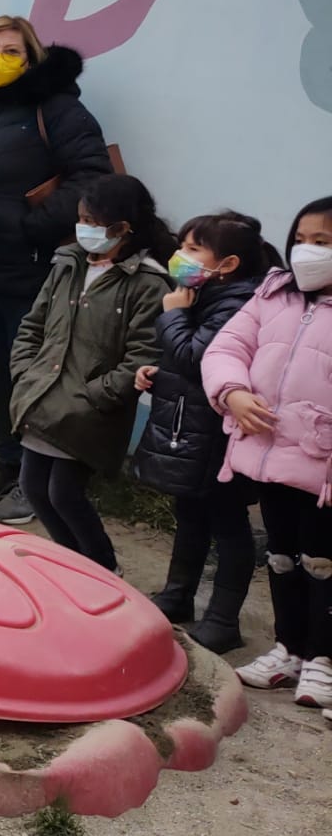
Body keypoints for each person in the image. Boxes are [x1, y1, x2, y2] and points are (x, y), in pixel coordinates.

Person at [0, 16, 114, 526]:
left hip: (32, 268)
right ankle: (10, 462)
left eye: (12, 50)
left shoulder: (58, 109)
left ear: (31, 57)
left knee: (35, 373)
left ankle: (38, 481)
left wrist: (32, 226)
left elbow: (92, 177)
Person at [130, 210, 279, 653]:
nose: (180, 256)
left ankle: (223, 620)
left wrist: (172, 317)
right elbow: (189, 364)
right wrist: (159, 372)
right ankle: (178, 597)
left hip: (223, 436)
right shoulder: (206, 295)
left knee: (229, 526)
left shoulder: (238, 303)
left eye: (193, 249)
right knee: (191, 514)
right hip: (193, 426)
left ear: (228, 264)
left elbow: (201, 358)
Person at [205, 195, 332, 715]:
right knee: (280, 555)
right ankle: (290, 649)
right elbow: (226, 348)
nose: (306, 251)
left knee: (322, 560)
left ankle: (324, 658)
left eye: (321, 243)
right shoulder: (273, 293)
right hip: (270, 454)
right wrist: (232, 391)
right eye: (300, 239)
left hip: (322, 465)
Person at [9, 174, 171, 573]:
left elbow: (143, 354)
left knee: (64, 493)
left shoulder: (148, 282)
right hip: (43, 394)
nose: (87, 230)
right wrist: (25, 373)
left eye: (98, 223)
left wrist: (97, 395)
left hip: (88, 411)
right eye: (84, 219)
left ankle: (102, 567)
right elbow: (33, 325)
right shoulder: (67, 264)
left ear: (125, 228)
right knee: (34, 489)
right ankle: (72, 564)